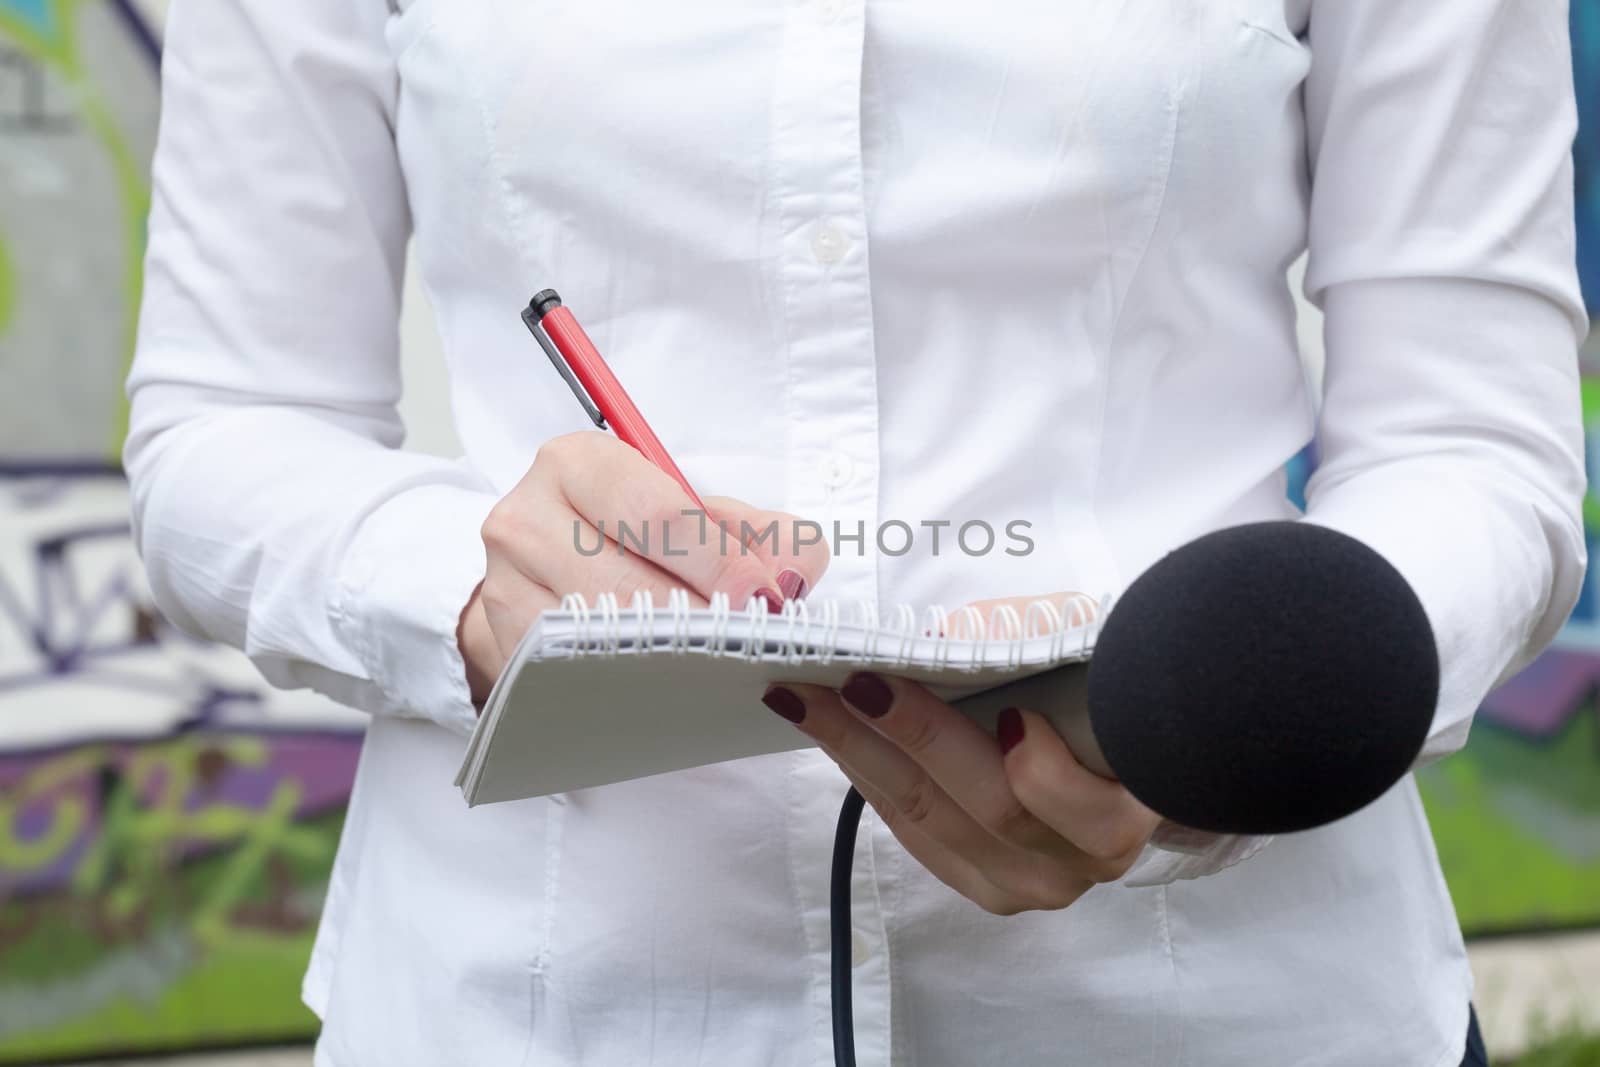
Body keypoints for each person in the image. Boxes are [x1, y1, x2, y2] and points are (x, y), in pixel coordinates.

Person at [123, 1, 1586, 1064]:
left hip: (1237, 1009)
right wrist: (463, 590)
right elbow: (225, 428)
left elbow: (1475, 446)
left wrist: (1216, 735)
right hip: (541, 1008)